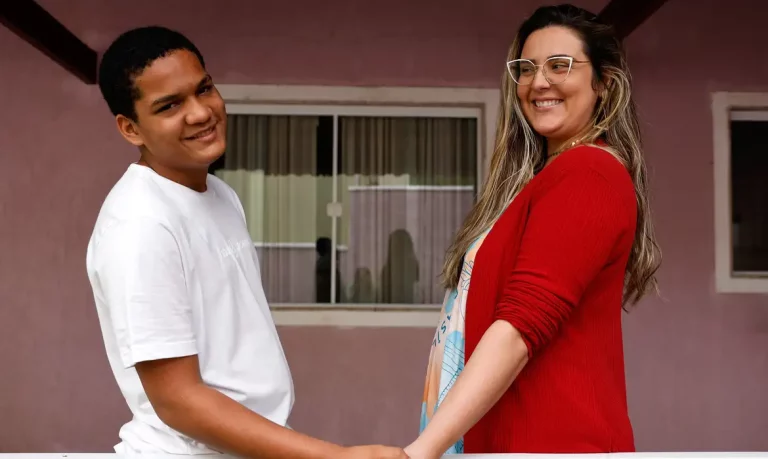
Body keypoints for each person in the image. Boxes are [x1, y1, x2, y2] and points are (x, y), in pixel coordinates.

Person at [85, 26, 407, 459]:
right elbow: (178, 400)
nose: (200, 113)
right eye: (170, 105)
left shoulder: (219, 194)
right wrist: (335, 457)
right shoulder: (140, 224)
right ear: (131, 129)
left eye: (204, 88)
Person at [406, 4, 661, 457]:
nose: (539, 82)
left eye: (560, 65)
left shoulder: (589, 174)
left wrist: (419, 452)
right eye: (527, 68)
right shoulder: (545, 180)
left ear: (603, 82)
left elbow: (519, 329)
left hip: (550, 444)